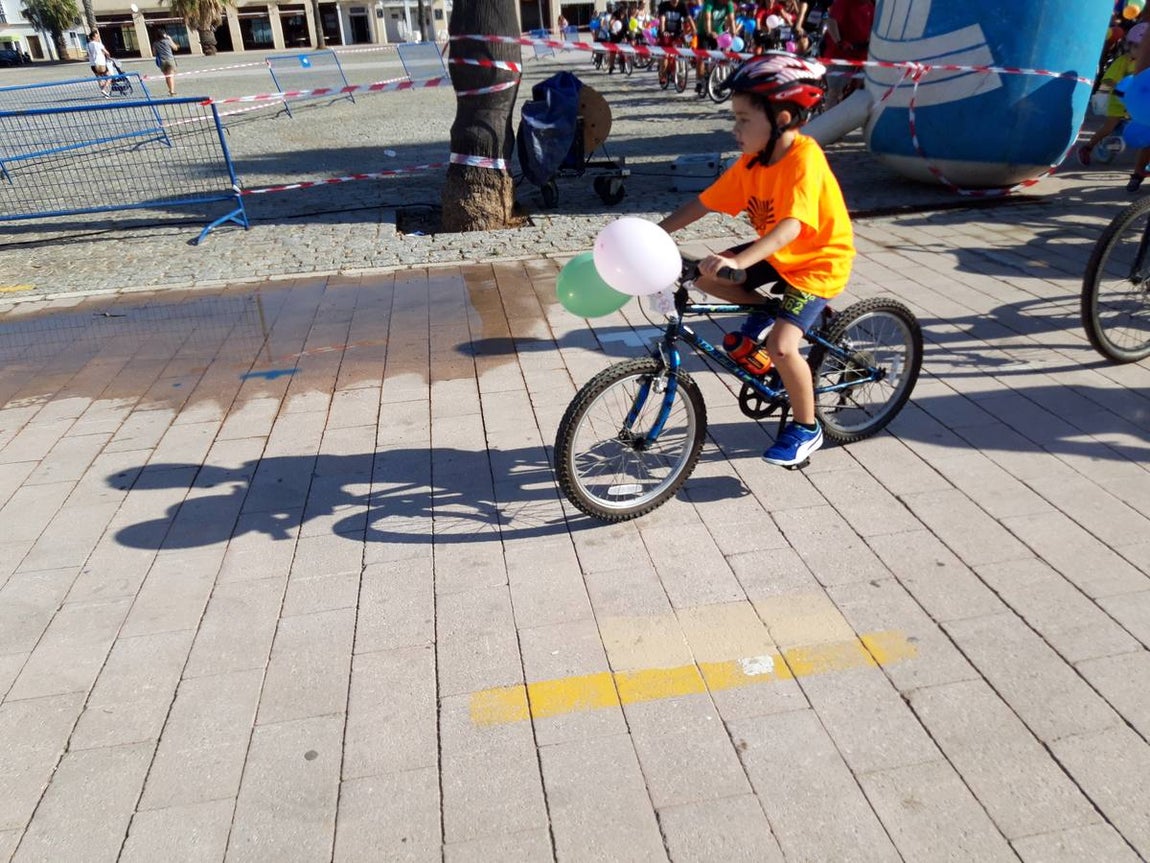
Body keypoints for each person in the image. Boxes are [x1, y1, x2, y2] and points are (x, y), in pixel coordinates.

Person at [657, 54, 854, 467]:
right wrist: (657, 232)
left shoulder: (804, 158)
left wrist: (741, 260)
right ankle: (770, 312)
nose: (735, 129)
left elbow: (790, 229)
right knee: (703, 279)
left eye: (744, 119)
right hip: (780, 256)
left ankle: (806, 427)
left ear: (781, 118)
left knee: (782, 348)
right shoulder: (751, 163)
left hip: (817, 264)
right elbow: (703, 204)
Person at [1080, 23, 1145, 168]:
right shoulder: (1123, 61)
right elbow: (1109, 79)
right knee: (1109, 127)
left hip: (1138, 103)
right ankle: (1088, 147)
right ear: (1129, 46)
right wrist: (1117, 89)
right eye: (1136, 47)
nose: (1140, 52)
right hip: (1119, 101)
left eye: (1144, 48)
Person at [152, 28, 178, 96]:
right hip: (170, 60)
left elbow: (154, 53)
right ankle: (172, 91)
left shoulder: (155, 43)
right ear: (164, 34)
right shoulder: (167, 41)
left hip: (162, 61)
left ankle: (170, 89)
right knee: (171, 76)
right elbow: (175, 48)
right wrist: (170, 39)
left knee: (167, 76)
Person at [86, 30, 113, 97]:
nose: (98, 38)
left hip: (92, 64)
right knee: (109, 77)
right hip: (100, 63)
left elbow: (89, 54)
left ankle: (105, 95)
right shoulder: (98, 44)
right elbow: (106, 52)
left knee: (99, 79)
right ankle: (104, 89)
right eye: (97, 36)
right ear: (93, 37)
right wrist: (109, 57)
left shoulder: (87, 45)